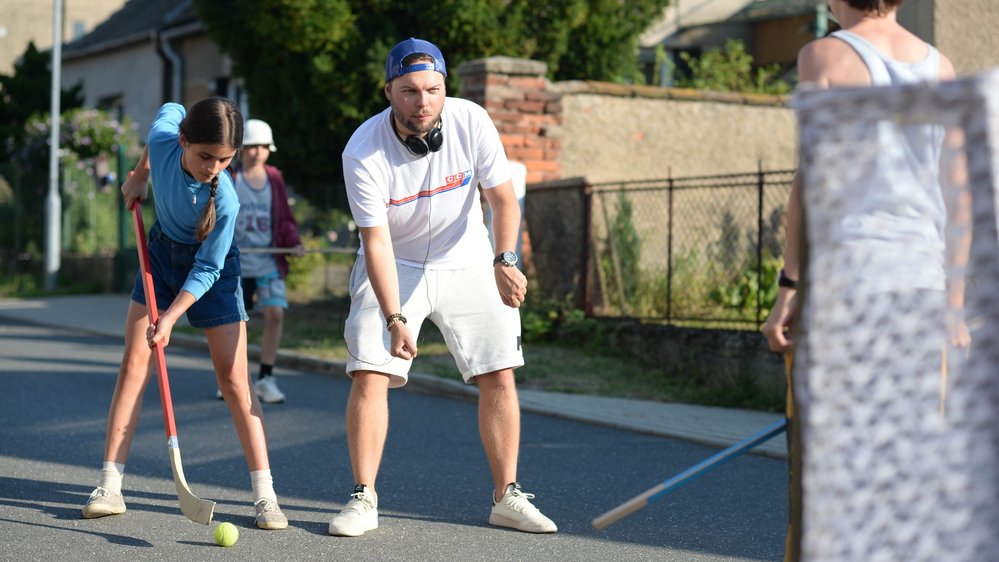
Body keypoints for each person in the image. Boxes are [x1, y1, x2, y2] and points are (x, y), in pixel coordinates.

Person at [760, 1, 967, 559]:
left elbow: (813, 179)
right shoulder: (940, 67)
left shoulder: (823, 56)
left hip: (851, 285)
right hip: (922, 287)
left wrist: (790, 287)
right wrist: (953, 303)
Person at [328, 37, 557, 536]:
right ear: (389, 91)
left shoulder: (471, 120)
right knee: (370, 371)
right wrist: (394, 316)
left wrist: (505, 258)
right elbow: (376, 243)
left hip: (469, 256)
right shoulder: (363, 150)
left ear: (444, 87)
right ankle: (363, 497)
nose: (423, 101)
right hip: (396, 261)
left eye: (433, 89)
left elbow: (502, 199)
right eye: (409, 90)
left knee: (499, 371)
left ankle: (507, 496)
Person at [82, 97, 288, 530]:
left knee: (234, 381)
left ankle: (265, 496)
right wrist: (139, 176)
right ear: (183, 143)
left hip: (213, 274)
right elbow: (171, 106)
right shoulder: (162, 141)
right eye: (205, 156)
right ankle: (109, 485)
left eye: (225, 159)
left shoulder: (226, 200)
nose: (213, 167)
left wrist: (171, 318)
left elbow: (208, 268)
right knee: (133, 366)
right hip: (159, 256)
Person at [216, 118, 303, 404]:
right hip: (238, 264)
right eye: (252, 146)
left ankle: (266, 377)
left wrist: (294, 243)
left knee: (275, 314)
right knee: (237, 323)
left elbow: (284, 220)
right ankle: (232, 378)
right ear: (242, 149)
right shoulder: (231, 178)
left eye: (263, 147)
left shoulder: (274, 179)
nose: (257, 152)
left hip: (269, 263)